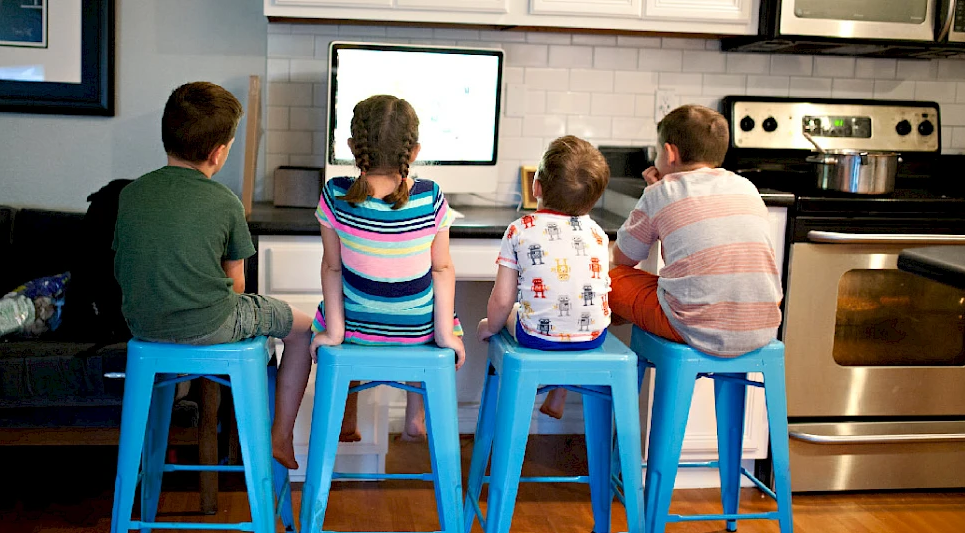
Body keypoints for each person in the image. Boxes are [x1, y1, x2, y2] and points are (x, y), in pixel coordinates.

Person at [113, 81, 314, 470]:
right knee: (303, 328)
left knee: (191, 317)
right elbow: (237, 285)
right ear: (218, 153)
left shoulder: (131, 194)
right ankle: (281, 435)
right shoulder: (225, 202)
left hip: (143, 325)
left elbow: (125, 267)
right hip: (207, 324)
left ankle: (179, 382)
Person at [311, 94, 466, 443]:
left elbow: (332, 269)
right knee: (427, 307)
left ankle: (348, 415)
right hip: (417, 332)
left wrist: (334, 333)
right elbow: (441, 269)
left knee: (337, 308)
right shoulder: (430, 196)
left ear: (353, 147)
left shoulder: (335, 195)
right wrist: (445, 334)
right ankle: (415, 415)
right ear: (413, 152)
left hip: (356, 331)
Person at [609, 104, 782, 358]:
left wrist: (653, 194)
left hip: (695, 327)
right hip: (762, 324)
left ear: (669, 154)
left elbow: (624, 259)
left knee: (611, 280)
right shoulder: (746, 186)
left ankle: (597, 369)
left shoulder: (662, 192)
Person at [477, 135, 612, 419]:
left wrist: (490, 325)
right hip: (593, 336)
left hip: (538, 336)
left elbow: (502, 299)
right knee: (567, 318)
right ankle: (559, 391)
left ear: (536, 186)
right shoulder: (598, 234)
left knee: (516, 313)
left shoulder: (520, 229)